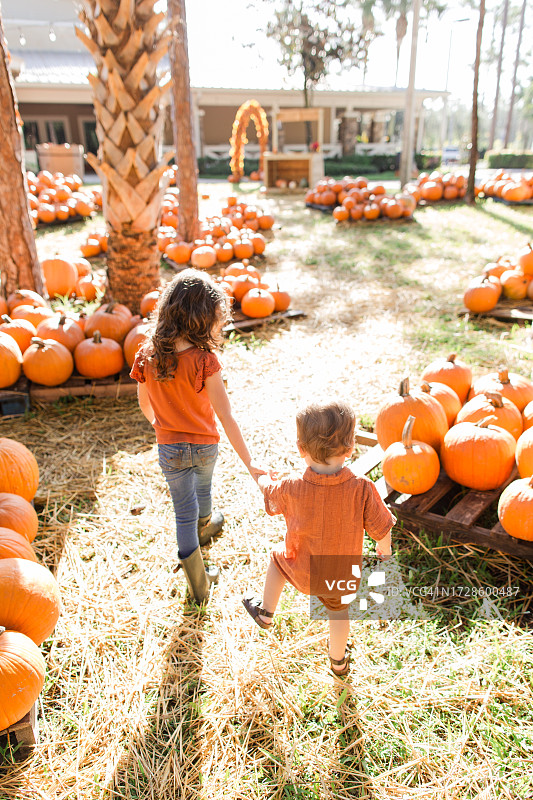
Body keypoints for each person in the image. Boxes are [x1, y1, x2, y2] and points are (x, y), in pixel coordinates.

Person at [131, 269, 267, 604]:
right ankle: (202, 558)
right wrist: (252, 465)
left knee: (183, 511)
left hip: (169, 449)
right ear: (201, 319)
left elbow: (144, 402)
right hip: (206, 447)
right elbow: (226, 416)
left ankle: (199, 574)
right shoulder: (206, 360)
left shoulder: (148, 355)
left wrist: (159, 426)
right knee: (203, 489)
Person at [242, 400, 395, 676]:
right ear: (350, 449)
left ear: (300, 449)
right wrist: (385, 552)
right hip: (339, 575)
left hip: (301, 570)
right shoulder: (362, 488)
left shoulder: (290, 486)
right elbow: (382, 528)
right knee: (338, 612)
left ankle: (265, 613)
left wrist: (262, 477)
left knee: (277, 559)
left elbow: (269, 492)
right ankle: (339, 663)